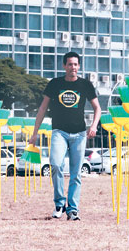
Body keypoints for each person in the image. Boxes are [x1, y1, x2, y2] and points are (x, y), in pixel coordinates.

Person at [29, 51, 101, 221]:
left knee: (76, 173)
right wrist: (34, 133)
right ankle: (60, 204)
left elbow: (97, 108)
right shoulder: (55, 84)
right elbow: (42, 109)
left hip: (79, 134)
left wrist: (94, 126)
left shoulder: (85, 85)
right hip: (59, 132)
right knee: (55, 164)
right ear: (64, 66)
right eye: (70, 64)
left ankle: (73, 209)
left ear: (79, 66)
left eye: (75, 64)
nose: (72, 67)